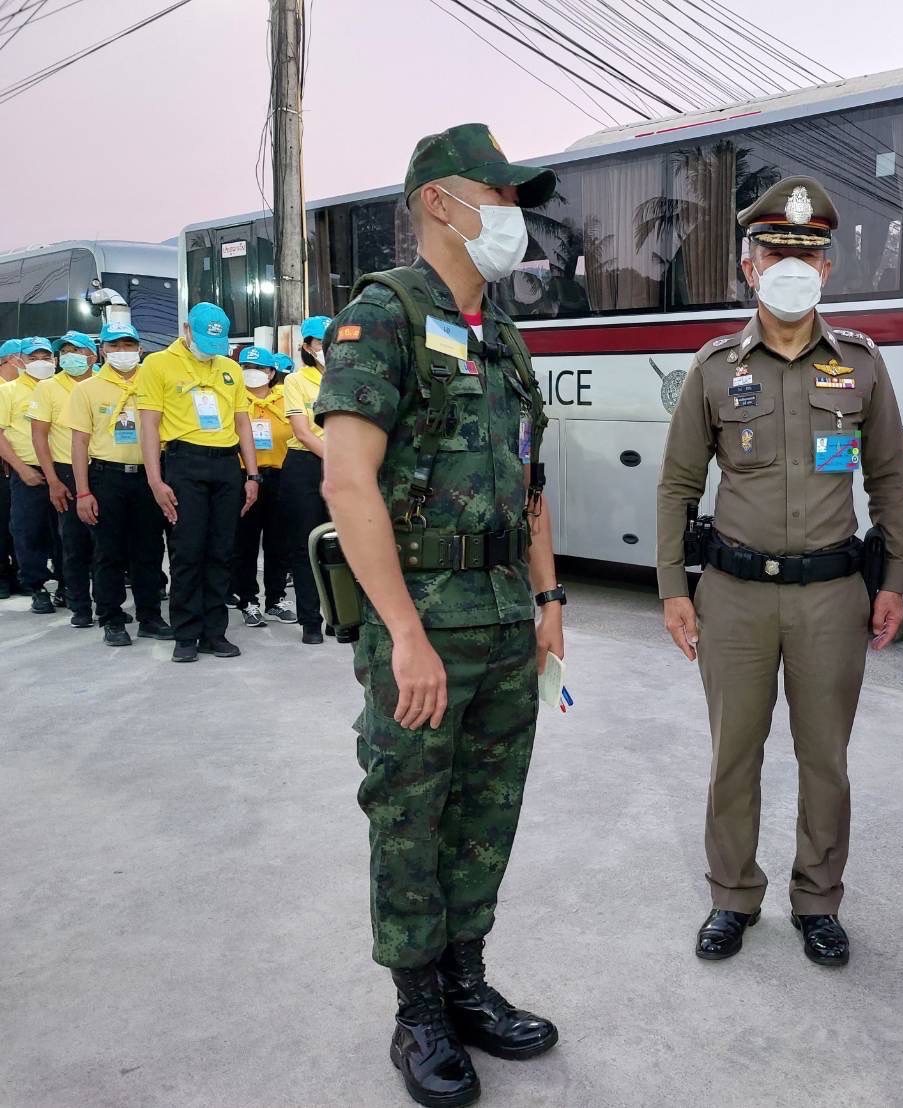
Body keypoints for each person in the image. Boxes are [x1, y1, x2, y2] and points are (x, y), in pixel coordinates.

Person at [315, 123, 563, 1106]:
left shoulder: (501, 333)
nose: (512, 215)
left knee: (485, 815)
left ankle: (466, 983)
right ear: (437, 202)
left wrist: (548, 598)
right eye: (496, 196)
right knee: (411, 816)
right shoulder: (381, 316)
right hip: (422, 623)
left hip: (503, 620)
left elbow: (531, 481)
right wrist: (405, 635)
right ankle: (417, 1010)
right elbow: (348, 483)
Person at [656, 175, 903, 969]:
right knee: (734, 755)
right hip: (732, 596)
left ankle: (817, 901)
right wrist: (673, 589)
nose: (791, 267)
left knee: (823, 760)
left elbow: (889, 480)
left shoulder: (861, 365)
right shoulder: (712, 367)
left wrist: (894, 581)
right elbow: (677, 484)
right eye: (775, 254)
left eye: (807, 254)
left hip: (832, 595)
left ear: (827, 268)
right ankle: (732, 896)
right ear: (749, 268)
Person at [137, 302, 260, 663]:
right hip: (184, 462)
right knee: (187, 550)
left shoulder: (229, 369)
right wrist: (155, 480)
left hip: (226, 466)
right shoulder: (158, 364)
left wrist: (252, 474)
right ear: (187, 330)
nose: (211, 351)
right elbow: (149, 424)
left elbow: (242, 423)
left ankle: (214, 633)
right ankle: (186, 633)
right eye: (205, 342)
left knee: (221, 551)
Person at [64, 322, 172, 646]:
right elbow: (79, 443)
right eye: (114, 346)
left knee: (149, 550)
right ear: (102, 351)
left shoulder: (154, 384)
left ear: (140, 349)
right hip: (107, 476)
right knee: (108, 551)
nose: (122, 352)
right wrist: (83, 492)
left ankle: (150, 616)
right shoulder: (87, 389)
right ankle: (111, 618)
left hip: (149, 477)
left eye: (128, 345)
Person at [29, 331, 99, 627]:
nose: (70, 356)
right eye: (65, 351)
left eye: (77, 350)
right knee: (74, 542)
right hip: (67, 471)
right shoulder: (48, 387)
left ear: (93, 356)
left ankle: (107, 604)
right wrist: (53, 480)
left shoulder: (103, 383)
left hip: (103, 468)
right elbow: (39, 436)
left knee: (106, 544)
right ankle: (80, 606)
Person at [230, 346, 293, 629]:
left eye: (258, 368)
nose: (251, 373)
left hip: (280, 475)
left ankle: (276, 599)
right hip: (244, 477)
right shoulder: (234, 399)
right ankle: (248, 601)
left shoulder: (285, 398)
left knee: (278, 542)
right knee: (245, 543)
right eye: (245, 368)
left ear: (271, 373)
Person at [280, 316, 332, 643]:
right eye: (321, 342)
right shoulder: (296, 381)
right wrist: (339, 460)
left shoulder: (347, 378)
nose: (328, 348)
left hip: (344, 466)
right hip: (306, 466)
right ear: (307, 346)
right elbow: (302, 432)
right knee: (307, 545)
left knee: (340, 545)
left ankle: (339, 616)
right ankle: (311, 620)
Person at [1, 339, 60, 613]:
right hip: (28, 473)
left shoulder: (62, 388)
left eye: (45, 357)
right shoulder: (8, 391)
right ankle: (37, 587)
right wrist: (22, 469)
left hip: (62, 471)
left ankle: (67, 584)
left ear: (54, 360)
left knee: (64, 534)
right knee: (28, 531)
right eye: (33, 357)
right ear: (19, 361)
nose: (40, 362)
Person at [0, 337, 26, 599]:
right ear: (11, 359)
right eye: (25, 356)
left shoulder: (21, 388)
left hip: (13, 465)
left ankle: (16, 574)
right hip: (5, 465)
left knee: (14, 524)